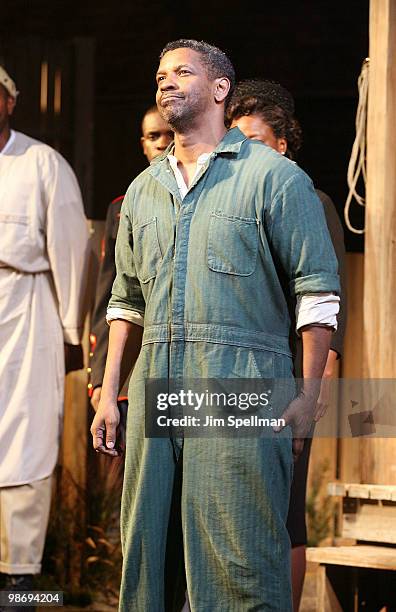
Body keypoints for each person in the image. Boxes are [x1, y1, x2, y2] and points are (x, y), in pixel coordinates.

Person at [91, 40, 340, 611]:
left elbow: (318, 291)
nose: (166, 82)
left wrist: (310, 394)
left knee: (239, 557)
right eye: (160, 75)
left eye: (183, 72)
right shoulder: (144, 191)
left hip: (242, 382)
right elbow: (125, 299)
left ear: (221, 88)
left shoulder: (274, 179)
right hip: (158, 385)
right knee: (150, 555)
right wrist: (109, 395)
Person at [226, 79, 347, 611]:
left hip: (290, 378)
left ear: (282, 144)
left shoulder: (310, 200)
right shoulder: (234, 202)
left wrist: (314, 390)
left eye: (254, 139)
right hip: (234, 372)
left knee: (284, 510)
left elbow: (325, 298)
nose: (242, 152)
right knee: (233, 504)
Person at [0, 66, 88, 601]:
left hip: (25, 312)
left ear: (10, 102)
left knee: (26, 443)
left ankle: (23, 584)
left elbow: (72, 249)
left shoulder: (41, 163)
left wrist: (72, 333)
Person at [89, 105, 173, 412]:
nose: (162, 142)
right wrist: (99, 377)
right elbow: (109, 299)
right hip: (130, 362)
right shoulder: (122, 207)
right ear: (143, 143)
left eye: (169, 134)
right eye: (154, 136)